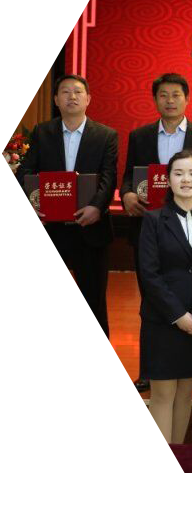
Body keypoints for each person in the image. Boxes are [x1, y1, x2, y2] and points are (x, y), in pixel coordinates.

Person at [120, 72, 192, 393]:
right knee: (151, 297)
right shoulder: (140, 136)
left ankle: (186, 363)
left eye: (176, 95)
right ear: (155, 99)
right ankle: (149, 370)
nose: (170, 100)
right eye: (163, 95)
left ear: (187, 98)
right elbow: (128, 176)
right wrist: (127, 194)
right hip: (150, 227)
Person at [17, 74, 118, 338]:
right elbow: (26, 171)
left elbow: (109, 177)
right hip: (51, 228)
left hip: (91, 228)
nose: (72, 96)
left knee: (93, 300)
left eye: (77, 91)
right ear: (55, 100)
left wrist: (96, 207)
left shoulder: (106, 135)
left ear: (88, 99)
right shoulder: (42, 132)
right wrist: (32, 202)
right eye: (65, 92)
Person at [138, 150, 192, 444]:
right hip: (162, 320)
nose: (186, 179)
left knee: (185, 394)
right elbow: (149, 274)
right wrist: (178, 315)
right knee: (162, 395)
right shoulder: (153, 220)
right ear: (168, 180)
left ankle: (179, 455)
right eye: (179, 173)